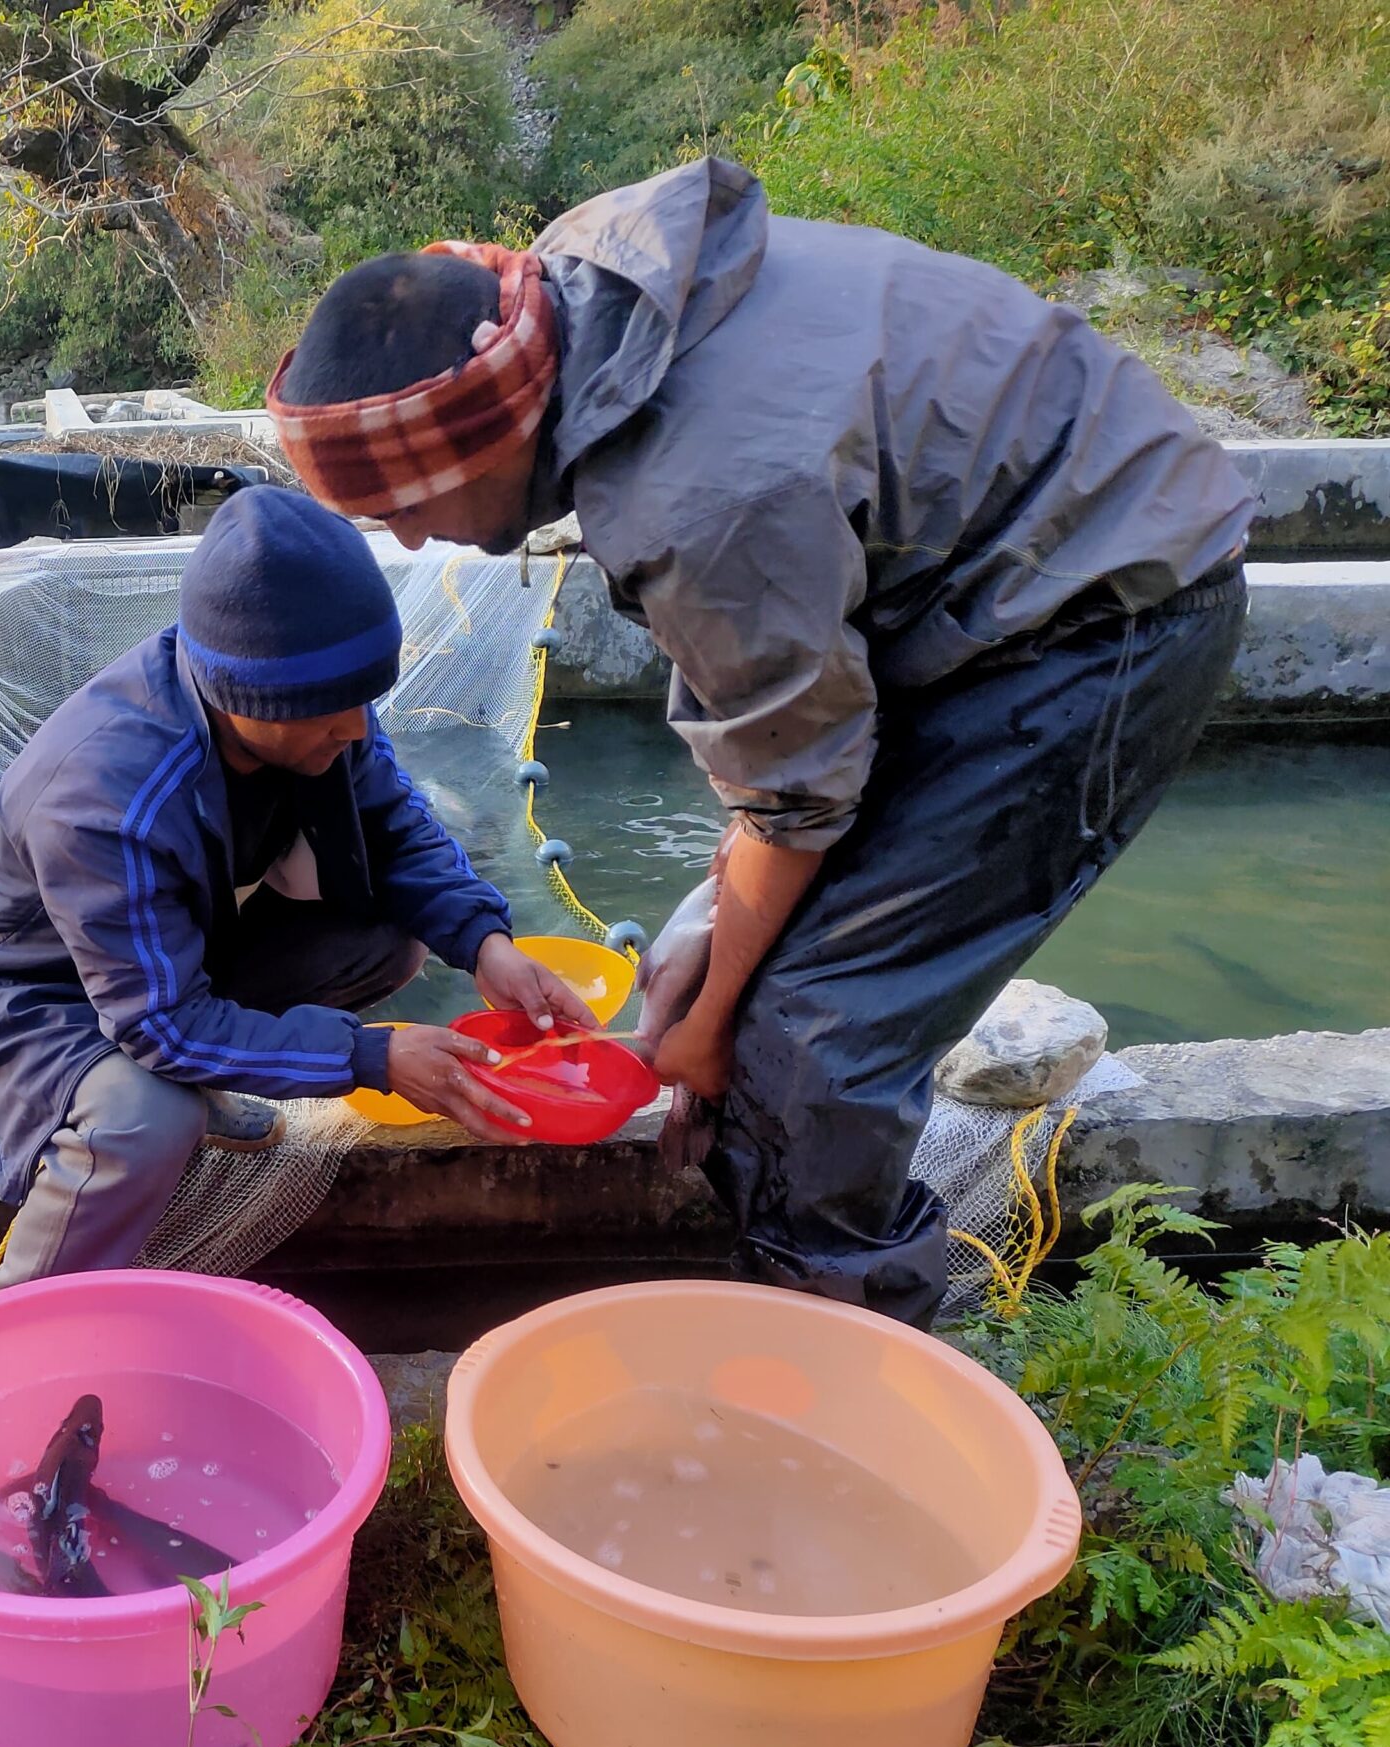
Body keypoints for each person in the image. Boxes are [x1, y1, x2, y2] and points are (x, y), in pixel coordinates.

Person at [265, 157, 1253, 1329]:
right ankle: (793, 1282)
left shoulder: (700, 498)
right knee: (750, 987)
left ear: (480, 448)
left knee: (815, 1037)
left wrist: (715, 1025)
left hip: (1097, 619)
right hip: (979, 583)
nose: (417, 544)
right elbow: (792, 754)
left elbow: (795, 797)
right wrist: (699, 957)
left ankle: (840, 1373)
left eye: (406, 509)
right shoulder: (581, 302)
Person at [0, 487, 596, 1289]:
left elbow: (395, 827)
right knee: (147, 1115)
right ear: (248, 699)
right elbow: (159, 1022)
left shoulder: (314, 698)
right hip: (30, 986)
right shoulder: (106, 797)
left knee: (392, 939)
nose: (355, 728)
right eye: (329, 713)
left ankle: (197, 1094)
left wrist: (488, 947)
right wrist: (369, 1056)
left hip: (161, 957)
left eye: (362, 702)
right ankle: (18, 1314)